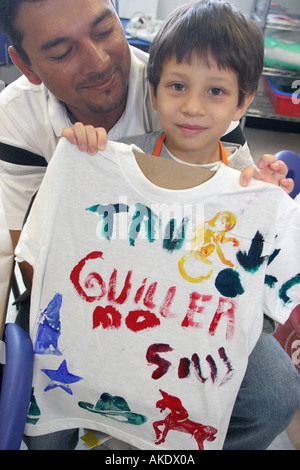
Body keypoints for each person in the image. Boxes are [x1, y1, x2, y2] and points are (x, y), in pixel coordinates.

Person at [0, 0, 297, 450]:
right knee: (45, 413)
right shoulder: (23, 123)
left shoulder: (190, 79)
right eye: (62, 51)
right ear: (25, 64)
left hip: (189, 316)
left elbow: (254, 276)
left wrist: (257, 192)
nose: (99, 60)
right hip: (91, 301)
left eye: (104, 29)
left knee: (275, 393)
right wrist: (82, 166)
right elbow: (27, 257)